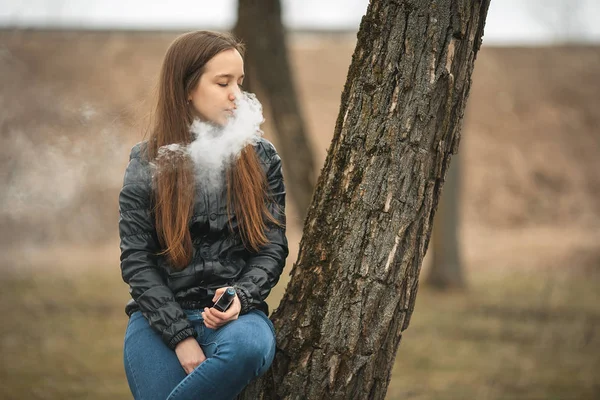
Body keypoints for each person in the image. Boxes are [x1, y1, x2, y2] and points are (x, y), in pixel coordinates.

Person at [119, 30, 288, 400]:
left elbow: (271, 248)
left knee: (247, 348)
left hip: (238, 321)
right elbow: (136, 260)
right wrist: (180, 337)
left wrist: (242, 296)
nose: (236, 96)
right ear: (187, 89)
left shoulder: (261, 158)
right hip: (158, 321)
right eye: (222, 82)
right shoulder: (146, 163)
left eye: (239, 83)